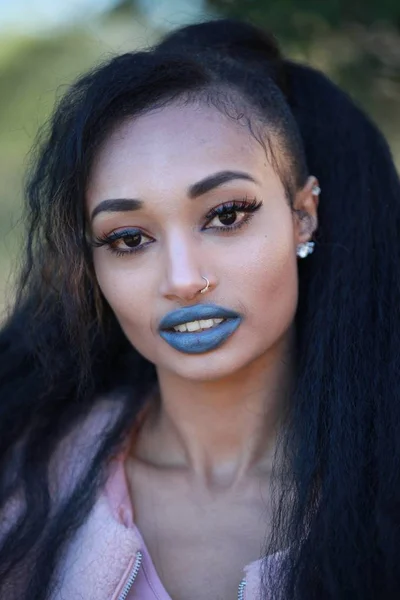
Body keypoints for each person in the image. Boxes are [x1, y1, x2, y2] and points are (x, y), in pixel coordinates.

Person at [0, 17, 399, 600]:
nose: (184, 281)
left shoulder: (382, 486)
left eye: (227, 215)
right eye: (129, 239)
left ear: (302, 216)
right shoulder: (22, 480)